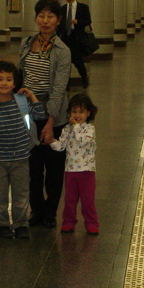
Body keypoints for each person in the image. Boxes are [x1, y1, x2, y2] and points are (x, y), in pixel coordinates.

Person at [0, 60, 46, 240]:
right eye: (0, 79)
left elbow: (39, 115)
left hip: (21, 158)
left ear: (15, 83)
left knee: (21, 194)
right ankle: (1, 225)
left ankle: (21, 224)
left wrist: (32, 96)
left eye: (8, 79)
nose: (4, 83)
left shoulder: (22, 102)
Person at [19, 0, 71, 228]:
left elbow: (59, 90)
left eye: (50, 16)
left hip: (54, 117)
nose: (45, 21)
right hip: (29, 114)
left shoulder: (62, 51)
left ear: (58, 20)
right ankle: (36, 210)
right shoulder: (27, 44)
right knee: (32, 168)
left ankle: (50, 211)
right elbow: (21, 78)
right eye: (41, 15)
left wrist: (50, 123)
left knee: (54, 169)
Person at [51, 93, 99, 235]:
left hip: (87, 171)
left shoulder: (89, 129)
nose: (77, 115)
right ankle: (68, 222)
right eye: (74, 111)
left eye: (81, 112)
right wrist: (51, 142)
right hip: (70, 171)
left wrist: (76, 127)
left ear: (88, 113)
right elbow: (61, 146)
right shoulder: (67, 129)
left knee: (87, 200)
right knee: (70, 200)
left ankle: (91, 223)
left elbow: (83, 141)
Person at [59, 0, 91, 89]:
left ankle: (84, 78)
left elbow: (88, 21)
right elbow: (59, 25)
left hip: (77, 38)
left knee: (78, 61)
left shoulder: (83, 7)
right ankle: (66, 83)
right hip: (65, 38)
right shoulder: (62, 9)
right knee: (65, 62)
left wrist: (78, 22)